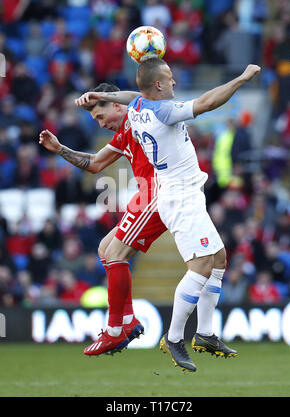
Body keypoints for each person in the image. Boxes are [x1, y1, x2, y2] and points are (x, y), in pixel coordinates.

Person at [76, 59, 261, 371]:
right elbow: (207, 102)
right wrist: (242, 78)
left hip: (184, 193)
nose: (174, 83)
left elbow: (131, 95)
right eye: (170, 79)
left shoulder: (137, 109)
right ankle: (174, 337)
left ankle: (205, 333)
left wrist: (97, 96)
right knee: (201, 265)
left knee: (218, 258)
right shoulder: (164, 112)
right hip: (179, 197)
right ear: (159, 86)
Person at [39, 82, 166, 356]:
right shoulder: (123, 134)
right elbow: (95, 163)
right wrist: (60, 148)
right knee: (105, 250)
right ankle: (128, 320)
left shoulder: (141, 113)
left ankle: (114, 330)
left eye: (100, 116)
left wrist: (101, 95)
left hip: (160, 191)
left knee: (116, 253)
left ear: (116, 104)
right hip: (146, 195)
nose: (99, 124)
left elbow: (140, 97)